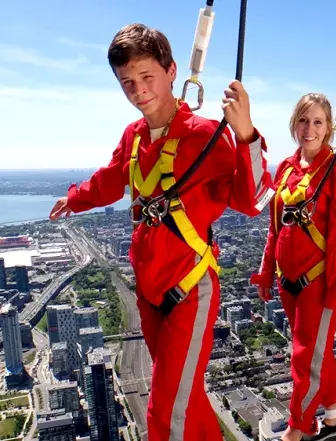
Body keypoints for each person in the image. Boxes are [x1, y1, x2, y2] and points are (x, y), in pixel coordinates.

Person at [48, 24, 273, 441]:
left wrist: (245, 134)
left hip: (191, 290)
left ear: (172, 72)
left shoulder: (204, 135)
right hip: (150, 293)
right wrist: (76, 198)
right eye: (127, 82)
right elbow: (111, 180)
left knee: (167, 407)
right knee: (186, 398)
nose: (137, 91)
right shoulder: (133, 137)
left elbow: (252, 200)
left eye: (146, 77)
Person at [250, 93, 336, 441]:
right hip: (288, 280)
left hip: (320, 282)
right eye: (303, 120)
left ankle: (297, 428)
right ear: (294, 123)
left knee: (303, 357)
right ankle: (332, 417)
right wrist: (267, 272)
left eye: (317, 122)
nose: (309, 129)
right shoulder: (284, 169)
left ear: (329, 128)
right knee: (316, 352)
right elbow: (276, 226)